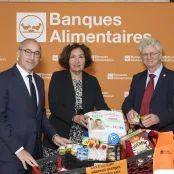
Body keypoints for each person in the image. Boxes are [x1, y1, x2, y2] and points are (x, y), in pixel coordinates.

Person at [0, 39, 71, 174]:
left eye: (36, 53)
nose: (32, 57)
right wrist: (19, 150)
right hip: (11, 156)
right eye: (28, 52)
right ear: (18, 53)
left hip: (35, 156)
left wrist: (55, 136)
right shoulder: (3, 79)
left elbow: (40, 116)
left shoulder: (39, 81)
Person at [42, 43, 110, 173]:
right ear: (67, 59)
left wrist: (116, 120)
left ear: (86, 59)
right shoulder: (58, 77)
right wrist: (74, 117)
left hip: (83, 141)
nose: (77, 60)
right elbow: (54, 105)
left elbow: (102, 106)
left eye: (81, 56)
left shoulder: (92, 80)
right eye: (73, 57)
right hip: (59, 138)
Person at [122, 37, 174, 132]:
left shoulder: (172, 77)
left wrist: (159, 118)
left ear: (160, 55)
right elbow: (128, 101)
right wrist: (129, 111)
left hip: (164, 135)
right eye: (145, 54)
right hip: (139, 135)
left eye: (152, 54)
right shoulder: (137, 78)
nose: (148, 57)